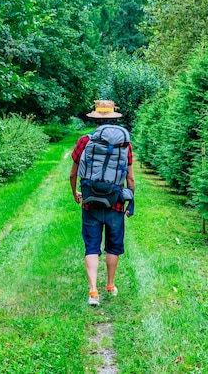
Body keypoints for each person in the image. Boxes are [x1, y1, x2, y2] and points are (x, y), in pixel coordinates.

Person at [69, 100, 135, 306]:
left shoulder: (84, 141)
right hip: (115, 203)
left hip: (90, 203)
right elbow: (130, 179)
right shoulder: (125, 144)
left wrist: (75, 192)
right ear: (114, 119)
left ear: (96, 119)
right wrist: (130, 201)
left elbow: (73, 174)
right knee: (113, 246)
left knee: (91, 246)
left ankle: (93, 291)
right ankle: (110, 285)